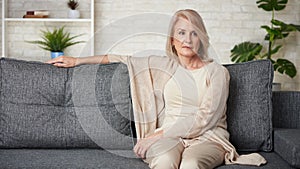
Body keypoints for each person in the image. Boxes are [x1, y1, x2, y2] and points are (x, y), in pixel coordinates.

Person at [47, 9, 266, 169]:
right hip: (169, 138)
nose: (187, 39)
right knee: (164, 160)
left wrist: (155, 136)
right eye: (181, 33)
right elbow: (122, 58)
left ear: (201, 39)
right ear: (172, 40)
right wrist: (77, 60)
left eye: (194, 33)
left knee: (190, 163)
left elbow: (204, 118)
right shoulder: (165, 66)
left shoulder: (216, 72)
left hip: (208, 137)